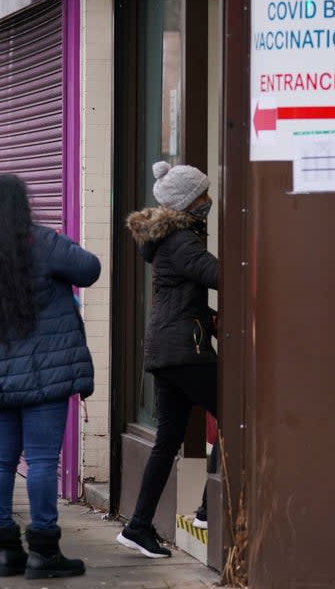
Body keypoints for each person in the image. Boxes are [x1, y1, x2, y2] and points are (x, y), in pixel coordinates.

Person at [0, 174, 101, 579]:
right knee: (40, 460)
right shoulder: (39, 241)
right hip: (44, 372)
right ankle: (44, 551)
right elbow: (89, 268)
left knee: (0, 458)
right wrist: (63, 239)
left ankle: (6, 550)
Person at [117, 161, 218, 559]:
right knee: (238, 413)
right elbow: (221, 275)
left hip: (167, 350)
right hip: (185, 351)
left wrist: (207, 316)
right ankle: (211, 508)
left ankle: (139, 526)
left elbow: (180, 295)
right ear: (187, 203)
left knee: (167, 441)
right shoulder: (182, 242)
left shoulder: (170, 241)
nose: (209, 201)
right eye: (203, 196)